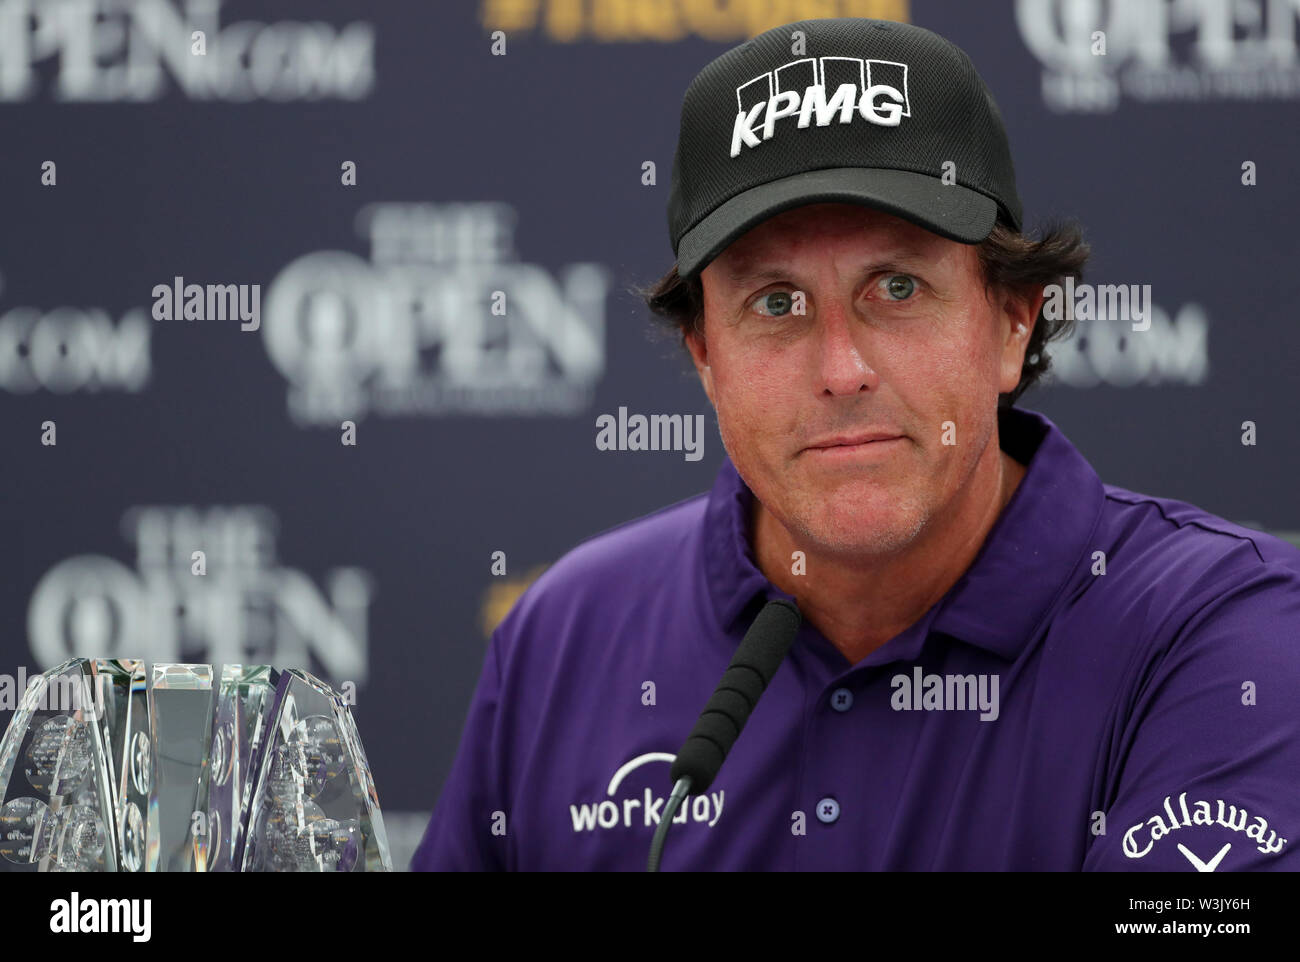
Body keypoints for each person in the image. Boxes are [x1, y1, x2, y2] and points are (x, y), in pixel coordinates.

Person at [412, 17, 1300, 871]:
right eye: (776, 303)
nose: (841, 369)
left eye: (899, 286)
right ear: (706, 356)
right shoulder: (563, 636)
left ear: (1012, 323)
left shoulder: (1225, 633)